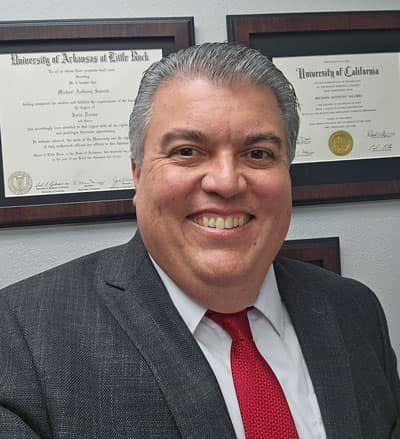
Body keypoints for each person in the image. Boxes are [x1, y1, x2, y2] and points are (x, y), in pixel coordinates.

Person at [0, 43, 399, 439]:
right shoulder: (21, 338)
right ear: (137, 173)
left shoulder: (354, 310)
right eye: (187, 151)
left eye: (258, 154)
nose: (226, 182)